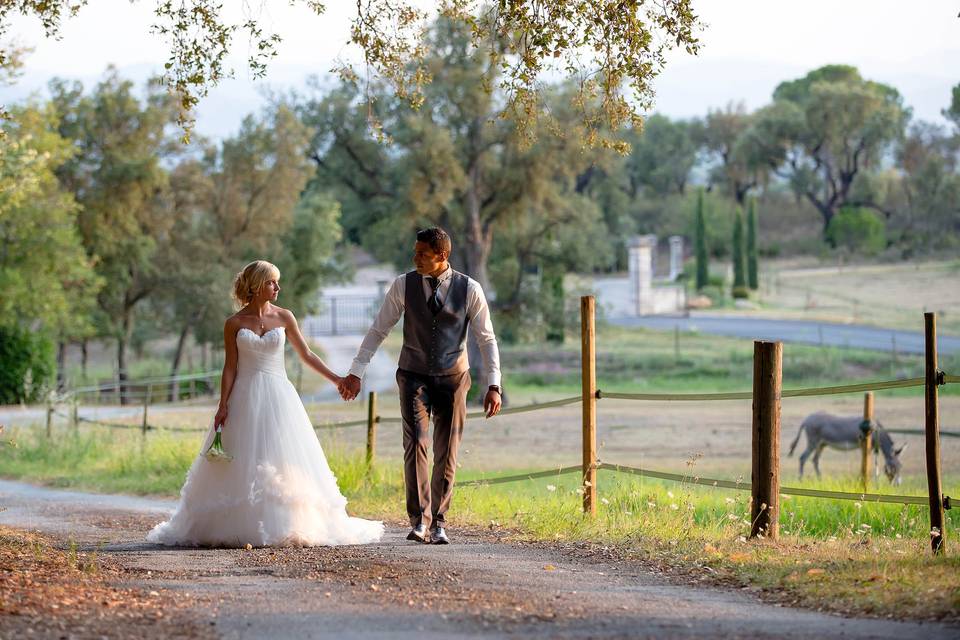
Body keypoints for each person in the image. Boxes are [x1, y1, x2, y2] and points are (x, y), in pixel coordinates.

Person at [147, 260, 384, 547]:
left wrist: (338, 380)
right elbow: (230, 368)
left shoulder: (285, 317)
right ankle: (235, 524)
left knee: (280, 454)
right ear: (258, 285)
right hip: (243, 395)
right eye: (272, 282)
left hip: (278, 395)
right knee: (243, 455)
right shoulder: (234, 324)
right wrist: (223, 405)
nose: (278, 287)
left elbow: (307, 355)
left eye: (277, 282)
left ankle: (285, 521)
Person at [338, 228, 502, 545]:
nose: (416, 259)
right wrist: (356, 370)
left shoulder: (470, 289)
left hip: (454, 378)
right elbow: (378, 330)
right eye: (415, 253)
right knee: (415, 445)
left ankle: (439, 522)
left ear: (442, 256)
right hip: (412, 375)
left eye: (422, 254)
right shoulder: (403, 285)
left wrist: (493, 384)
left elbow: (486, 339)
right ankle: (419, 520)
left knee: (447, 451)